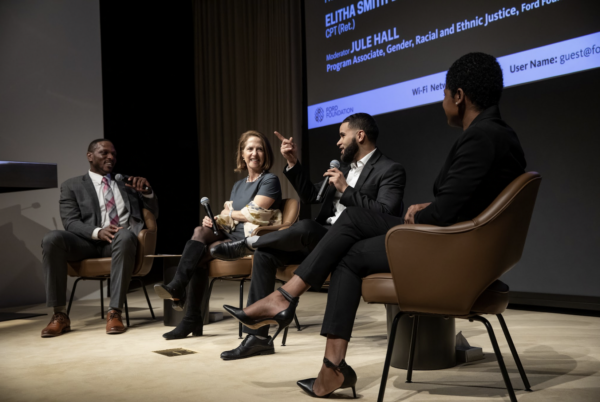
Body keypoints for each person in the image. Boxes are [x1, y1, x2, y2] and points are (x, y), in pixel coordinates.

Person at [225, 52, 527, 398]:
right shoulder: (498, 135)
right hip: (461, 244)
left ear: (459, 96)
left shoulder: (479, 138)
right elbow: (467, 202)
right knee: (348, 253)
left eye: (444, 94)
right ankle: (329, 366)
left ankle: (286, 300)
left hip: (454, 253)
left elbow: (446, 214)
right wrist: (431, 208)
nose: (442, 102)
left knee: (348, 233)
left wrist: (421, 214)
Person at [212, 113, 406, 360]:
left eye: (342, 135)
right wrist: (293, 162)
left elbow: (386, 215)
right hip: (322, 238)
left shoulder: (390, 169)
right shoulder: (342, 167)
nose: (338, 142)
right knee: (266, 255)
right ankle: (257, 339)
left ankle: (249, 244)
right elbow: (311, 196)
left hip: (352, 242)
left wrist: (346, 190)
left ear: (360, 136)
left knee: (305, 227)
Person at [154, 130, 282, 340]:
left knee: (204, 252)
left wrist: (226, 215)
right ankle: (182, 296)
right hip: (230, 236)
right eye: (250, 148)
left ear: (266, 154)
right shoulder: (238, 185)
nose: (255, 153)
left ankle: (188, 310)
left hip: (249, 241)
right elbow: (232, 219)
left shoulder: (270, 180)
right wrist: (215, 221)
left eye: (260, 149)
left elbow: (253, 214)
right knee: (200, 231)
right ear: (242, 154)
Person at [41, 139, 159, 337]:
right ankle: (59, 315)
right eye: (104, 153)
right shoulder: (72, 185)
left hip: (121, 242)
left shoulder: (127, 183)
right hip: (86, 243)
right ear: (90, 156)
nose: (111, 157)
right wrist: (97, 231)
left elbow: (153, 213)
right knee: (51, 239)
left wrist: (147, 193)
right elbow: (70, 222)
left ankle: (115, 312)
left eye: (113, 154)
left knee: (124, 234)